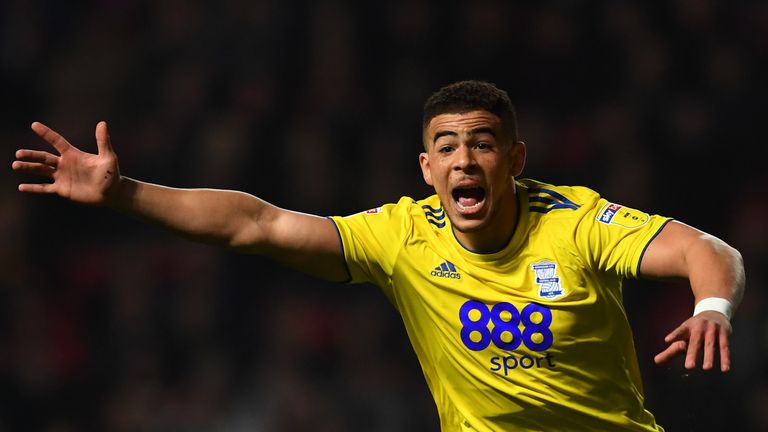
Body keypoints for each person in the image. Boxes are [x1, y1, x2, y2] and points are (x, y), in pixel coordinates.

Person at [13, 80, 744, 431]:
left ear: (514, 158)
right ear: (426, 168)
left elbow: (705, 249)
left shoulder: (577, 221)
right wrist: (127, 194)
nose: (465, 159)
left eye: (483, 144)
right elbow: (256, 225)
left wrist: (712, 304)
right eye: (448, 146)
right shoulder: (401, 235)